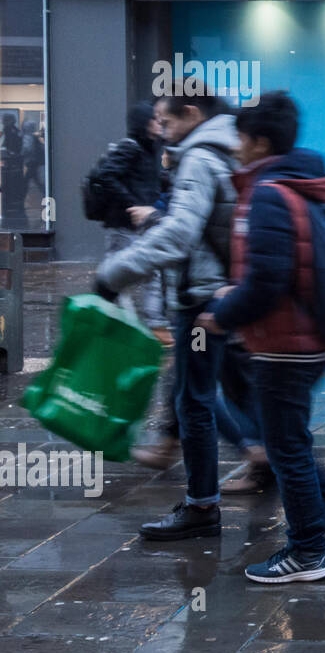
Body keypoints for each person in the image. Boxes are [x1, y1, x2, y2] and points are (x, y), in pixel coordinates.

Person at [197, 93, 325, 582]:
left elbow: (268, 280)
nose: (235, 145)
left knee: (285, 449)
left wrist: (224, 312)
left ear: (258, 141)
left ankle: (306, 552)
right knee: (290, 440)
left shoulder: (271, 193)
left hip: (285, 343)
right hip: (309, 335)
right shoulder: (305, 184)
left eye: (240, 136)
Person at [95, 91, 238, 541]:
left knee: (193, 402)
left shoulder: (199, 156)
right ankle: (264, 468)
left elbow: (181, 235)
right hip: (221, 293)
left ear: (191, 115)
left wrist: (113, 274)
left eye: (167, 121)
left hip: (199, 302)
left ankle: (201, 506)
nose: (162, 130)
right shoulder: (227, 148)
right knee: (225, 394)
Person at [94, 101, 164, 323]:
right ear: (144, 123)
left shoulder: (148, 148)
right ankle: (103, 322)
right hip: (123, 225)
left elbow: (147, 181)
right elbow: (106, 176)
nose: (159, 122)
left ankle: (153, 324)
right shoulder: (130, 146)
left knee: (150, 272)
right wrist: (132, 204)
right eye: (154, 119)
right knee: (115, 277)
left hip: (140, 225)